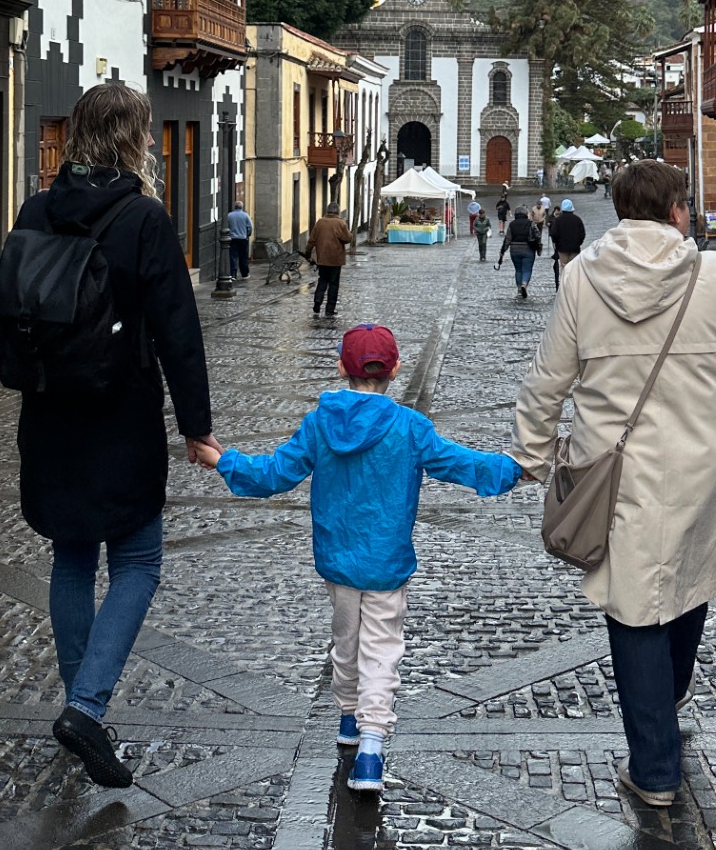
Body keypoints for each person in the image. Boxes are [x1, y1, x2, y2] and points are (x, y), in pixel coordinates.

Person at [513, 160, 716, 808]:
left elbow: (547, 382)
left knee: (633, 603)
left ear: (624, 209)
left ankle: (655, 769)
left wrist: (533, 456)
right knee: (689, 573)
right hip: (704, 468)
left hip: (615, 474)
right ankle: (668, 705)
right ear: (677, 210)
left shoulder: (582, 278)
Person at [197, 324, 522, 792]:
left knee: (346, 641)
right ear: (395, 369)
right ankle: (370, 747)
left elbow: (273, 474)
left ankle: (349, 715)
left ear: (339, 368)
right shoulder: (410, 427)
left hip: (338, 559)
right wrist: (514, 469)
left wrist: (224, 460)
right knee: (381, 649)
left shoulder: (319, 424)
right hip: (387, 561)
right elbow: (461, 463)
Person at [10, 82, 214, 789]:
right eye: (147, 131)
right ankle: (86, 708)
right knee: (138, 564)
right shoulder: (144, 218)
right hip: (121, 416)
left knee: (71, 558)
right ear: (131, 138)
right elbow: (179, 332)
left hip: (49, 414)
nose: (152, 141)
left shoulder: (36, 210)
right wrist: (197, 428)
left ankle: (81, 706)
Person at [307, 202, 353, 320]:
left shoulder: (320, 222)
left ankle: (318, 300)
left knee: (322, 280)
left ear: (327, 210)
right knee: (333, 284)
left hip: (322, 258)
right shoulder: (341, 223)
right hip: (336, 259)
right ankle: (330, 309)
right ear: (337, 211)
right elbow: (348, 238)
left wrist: (308, 253)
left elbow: (312, 240)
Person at [498, 205, 538, 298]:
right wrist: (538, 247)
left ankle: (519, 289)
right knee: (527, 269)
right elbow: (537, 235)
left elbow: (508, 239)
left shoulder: (512, 224)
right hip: (528, 249)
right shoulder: (531, 224)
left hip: (514, 249)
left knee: (518, 270)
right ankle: (524, 283)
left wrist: (503, 251)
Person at [549, 197, 586, 292]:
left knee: (564, 267)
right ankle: (573, 285)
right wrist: (578, 242)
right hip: (575, 248)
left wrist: (557, 243)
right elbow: (582, 234)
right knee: (573, 267)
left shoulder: (558, 220)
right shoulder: (577, 220)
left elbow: (553, 233)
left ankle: (564, 285)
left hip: (562, 248)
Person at [226, 197, 253, 279]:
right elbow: (250, 227)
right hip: (243, 238)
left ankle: (233, 274)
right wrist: (247, 235)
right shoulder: (245, 215)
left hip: (232, 238)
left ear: (234, 207)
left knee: (233, 256)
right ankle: (244, 274)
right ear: (242, 207)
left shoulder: (229, 215)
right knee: (243, 257)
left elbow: (227, 226)